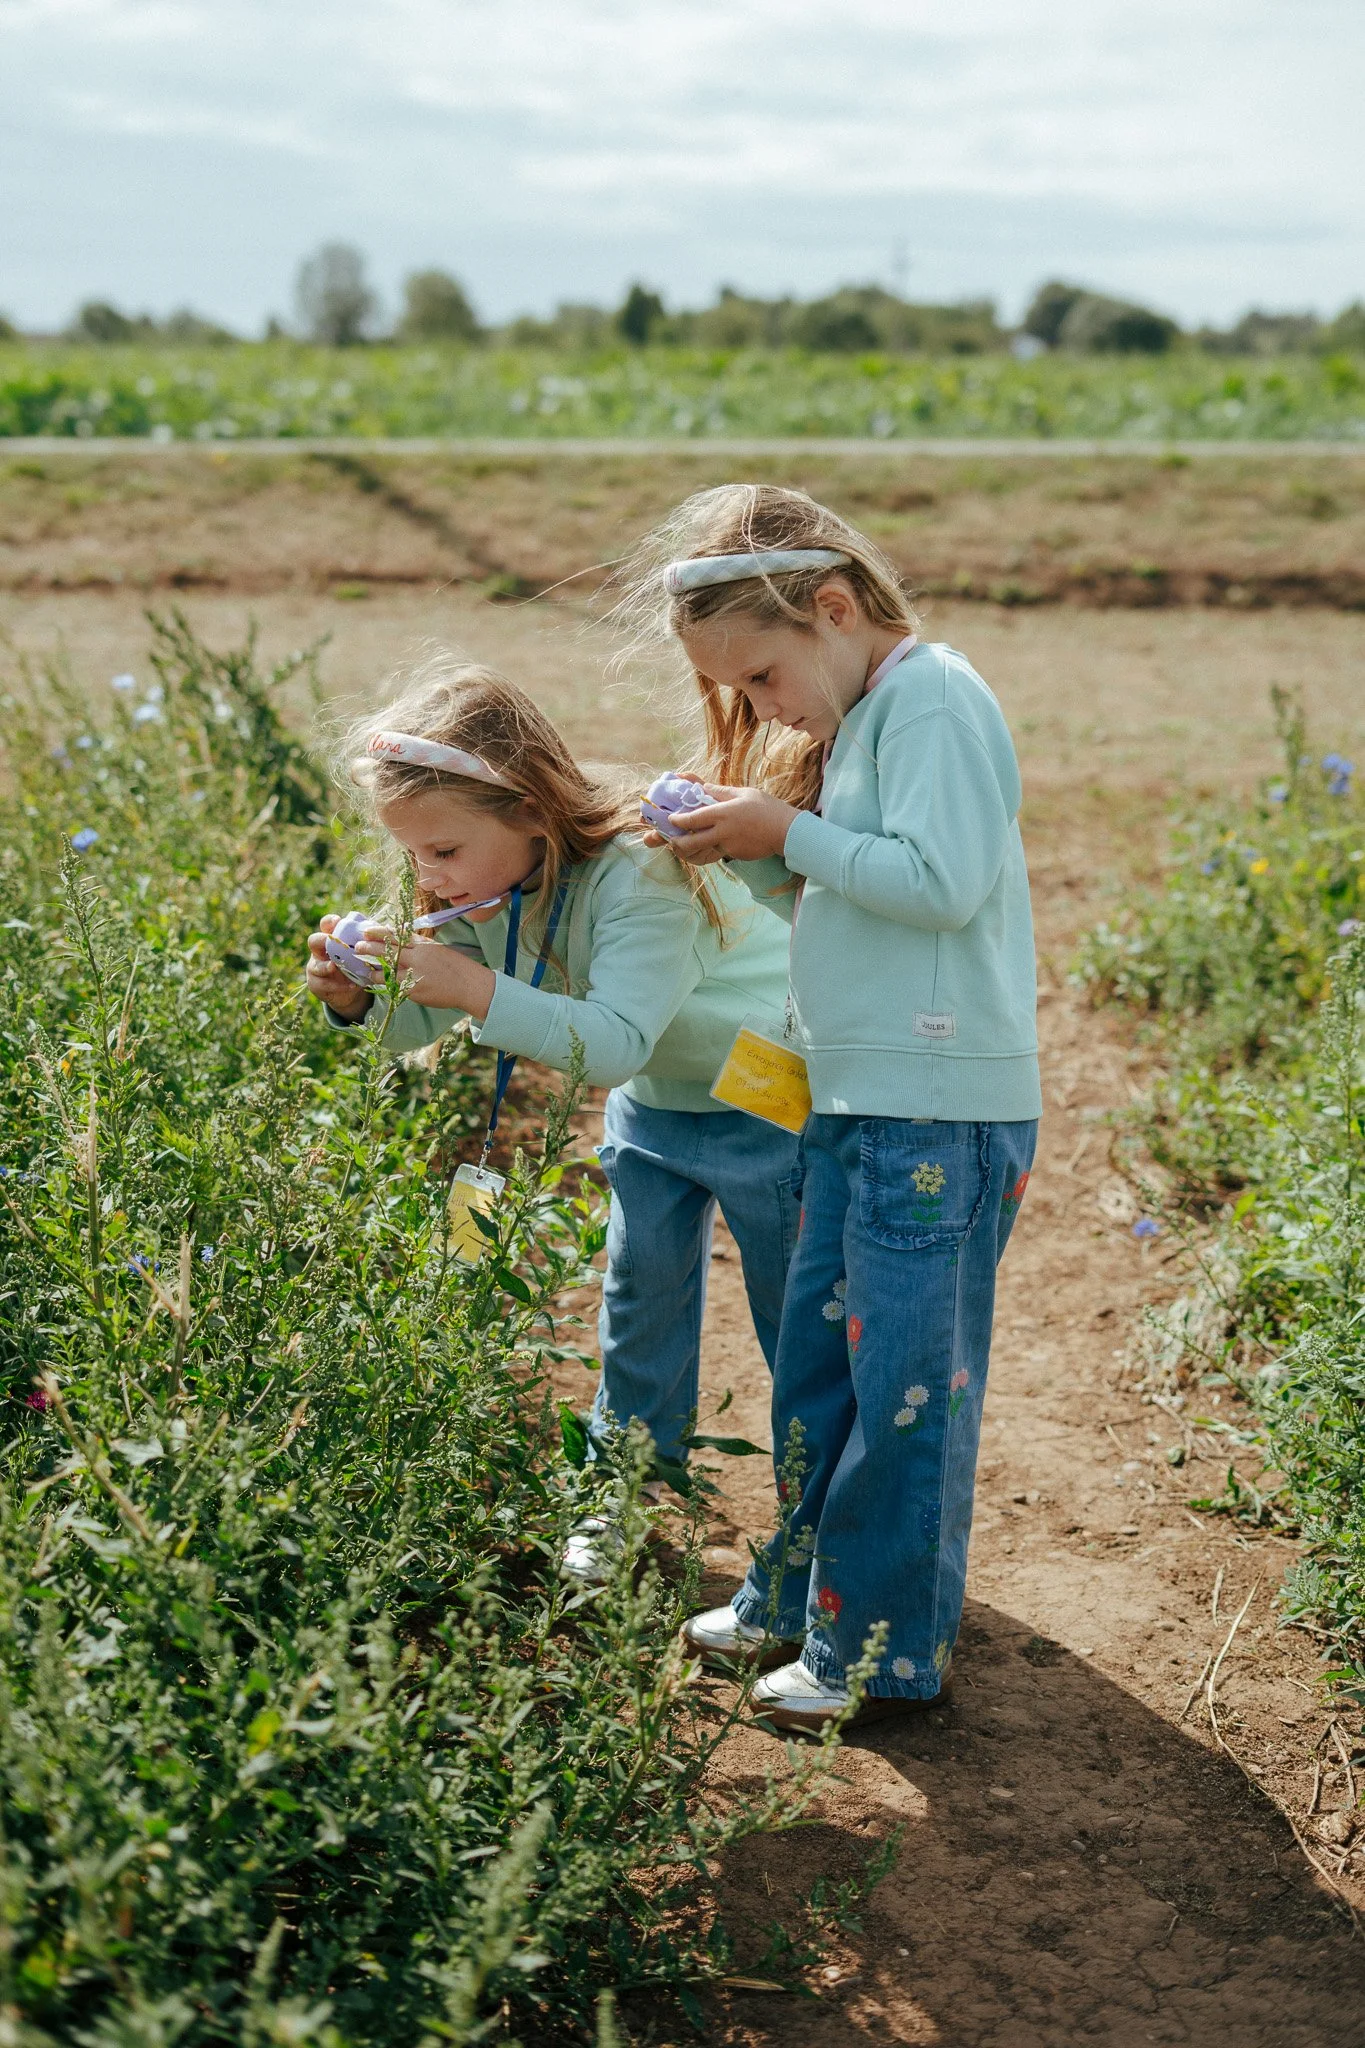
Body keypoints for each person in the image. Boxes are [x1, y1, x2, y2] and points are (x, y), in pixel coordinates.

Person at [619, 484, 1041, 1731]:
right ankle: (798, 1596)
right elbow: (861, 888)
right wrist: (746, 844)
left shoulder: (933, 699)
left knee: (905, 1386)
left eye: (760, 673)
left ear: (835, 606)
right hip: (857, 1099)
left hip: (936, 1114)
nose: (758, 705)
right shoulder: (866, 720)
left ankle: (880, 1649)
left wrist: (784, 829)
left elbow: (941, 882)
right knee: (820, 1365)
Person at [304, 658, 800, 1577]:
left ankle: (813, 1522)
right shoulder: (482, 888)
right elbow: (427, 1016)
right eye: (412, 851)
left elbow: (609, 1044)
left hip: (767, 1094)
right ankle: (615, 1493)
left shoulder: (640, 874)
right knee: (638, 1301)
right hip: (658, 1104)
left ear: (529, 809)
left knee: (791, 1315)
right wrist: (359, 999)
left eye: (443, 850)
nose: (425, 872)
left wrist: (474, 983)